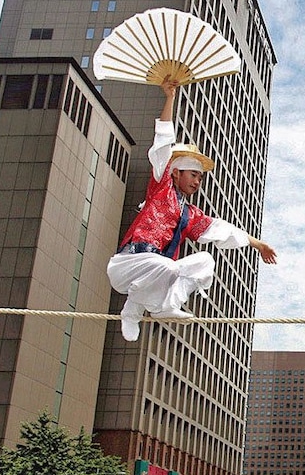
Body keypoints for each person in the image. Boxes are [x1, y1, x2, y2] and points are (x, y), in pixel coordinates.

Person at [107, 77, 278, 341]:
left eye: (200, 178)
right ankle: (135, 308)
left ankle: (158, 305)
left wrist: (259, 245)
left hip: (155, 271)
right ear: (175, 173)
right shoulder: (160, 186)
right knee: (169, 268)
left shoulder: (189, 214)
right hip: (128, 264)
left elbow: (223, 230)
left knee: (205, 262)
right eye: (193, 175)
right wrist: (170, 98)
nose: (197, 182)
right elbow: (163, 143)